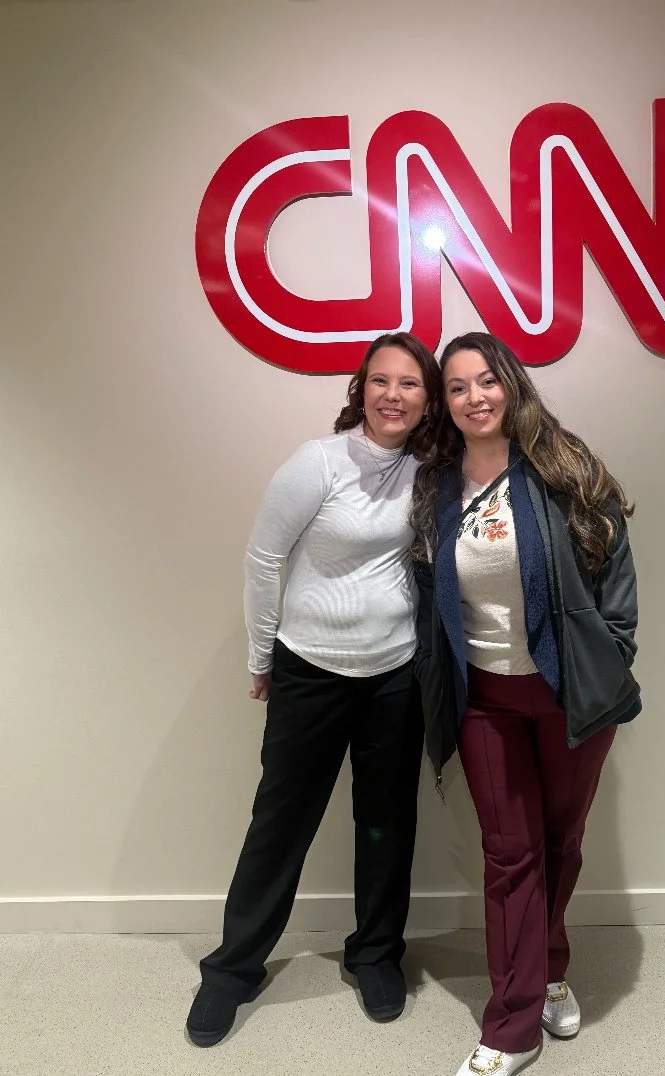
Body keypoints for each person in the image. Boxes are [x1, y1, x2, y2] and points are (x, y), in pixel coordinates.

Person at [186, 332, 442, 1047]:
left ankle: (375, 956)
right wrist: (261, 656)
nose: (393, 395)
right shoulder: (317, 464)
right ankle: (232, 970)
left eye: (410, 383)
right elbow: (264, 561)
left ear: (427, 400)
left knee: (387, 823)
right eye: (381, 381)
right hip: (311, 669)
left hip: (394, 672)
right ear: (360, 389)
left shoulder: (428, 469)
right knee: (281, 823)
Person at [410, 332, 641, 1076]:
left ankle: (547, 971)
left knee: (559, 841)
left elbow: (615, 570)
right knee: (509, 856)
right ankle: (511, 1026)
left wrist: (614, 651)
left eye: (486, 381)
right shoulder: (437, 483)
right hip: (485, 699)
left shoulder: (563, 467)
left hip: (568, 693)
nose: (474, 397)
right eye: (456, 388)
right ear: (444, 404)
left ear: (509, 383)